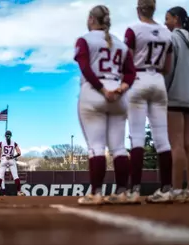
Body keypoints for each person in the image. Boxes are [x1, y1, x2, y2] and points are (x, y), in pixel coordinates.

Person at [74, 5, 136, 205]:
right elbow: (131, 73)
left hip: (94, 93)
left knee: (96, 147)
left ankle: (96, 192)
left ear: (92, 19)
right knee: (118, 148)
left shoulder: (85, 40)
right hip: (118, 94)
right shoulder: (120, 44)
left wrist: (102, 89)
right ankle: (122, 192)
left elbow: (85, 68)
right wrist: (121, 88)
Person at [124, 0, 173, 203]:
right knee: (162, 138)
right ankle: (166, 188)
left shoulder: (134, 30)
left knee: (136, 137)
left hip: (138, 78)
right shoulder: (166, 32)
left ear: (138, 10)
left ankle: (134, 189)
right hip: (158, 80)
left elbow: (127, 60)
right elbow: (167, 66)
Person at [164, 6, 189, 202]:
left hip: (176, 95)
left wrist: (165, 91)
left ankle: (176, 189)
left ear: (176, 19)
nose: (165, 22)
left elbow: (168, 69)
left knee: (176, 143)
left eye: (167, 18)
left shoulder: (172, 40)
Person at [0, 130, 24, 196]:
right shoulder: (14, 143)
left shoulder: (1, 143)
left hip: (4, 159)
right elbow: (19, 153)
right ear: (11, 136)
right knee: (16, 176)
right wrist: (12, 157)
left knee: (0, 177)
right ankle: (19, 192)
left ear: (5, 136)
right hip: (11, 159)